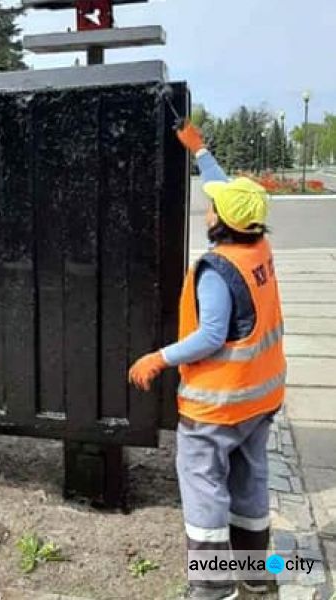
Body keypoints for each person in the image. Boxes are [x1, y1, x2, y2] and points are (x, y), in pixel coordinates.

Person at [128, 123, 285, 600]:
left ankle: (213, 587)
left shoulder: (216, 270)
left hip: (217, 405)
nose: (208, 208)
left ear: (222, 221)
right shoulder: (257, 247)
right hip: (261, 398)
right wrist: (202, 153)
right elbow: (231, 195)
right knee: (249, 482)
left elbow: (211, 335)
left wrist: (158, 357)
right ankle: (258, 575)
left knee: (204, 490)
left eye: (212, 206)